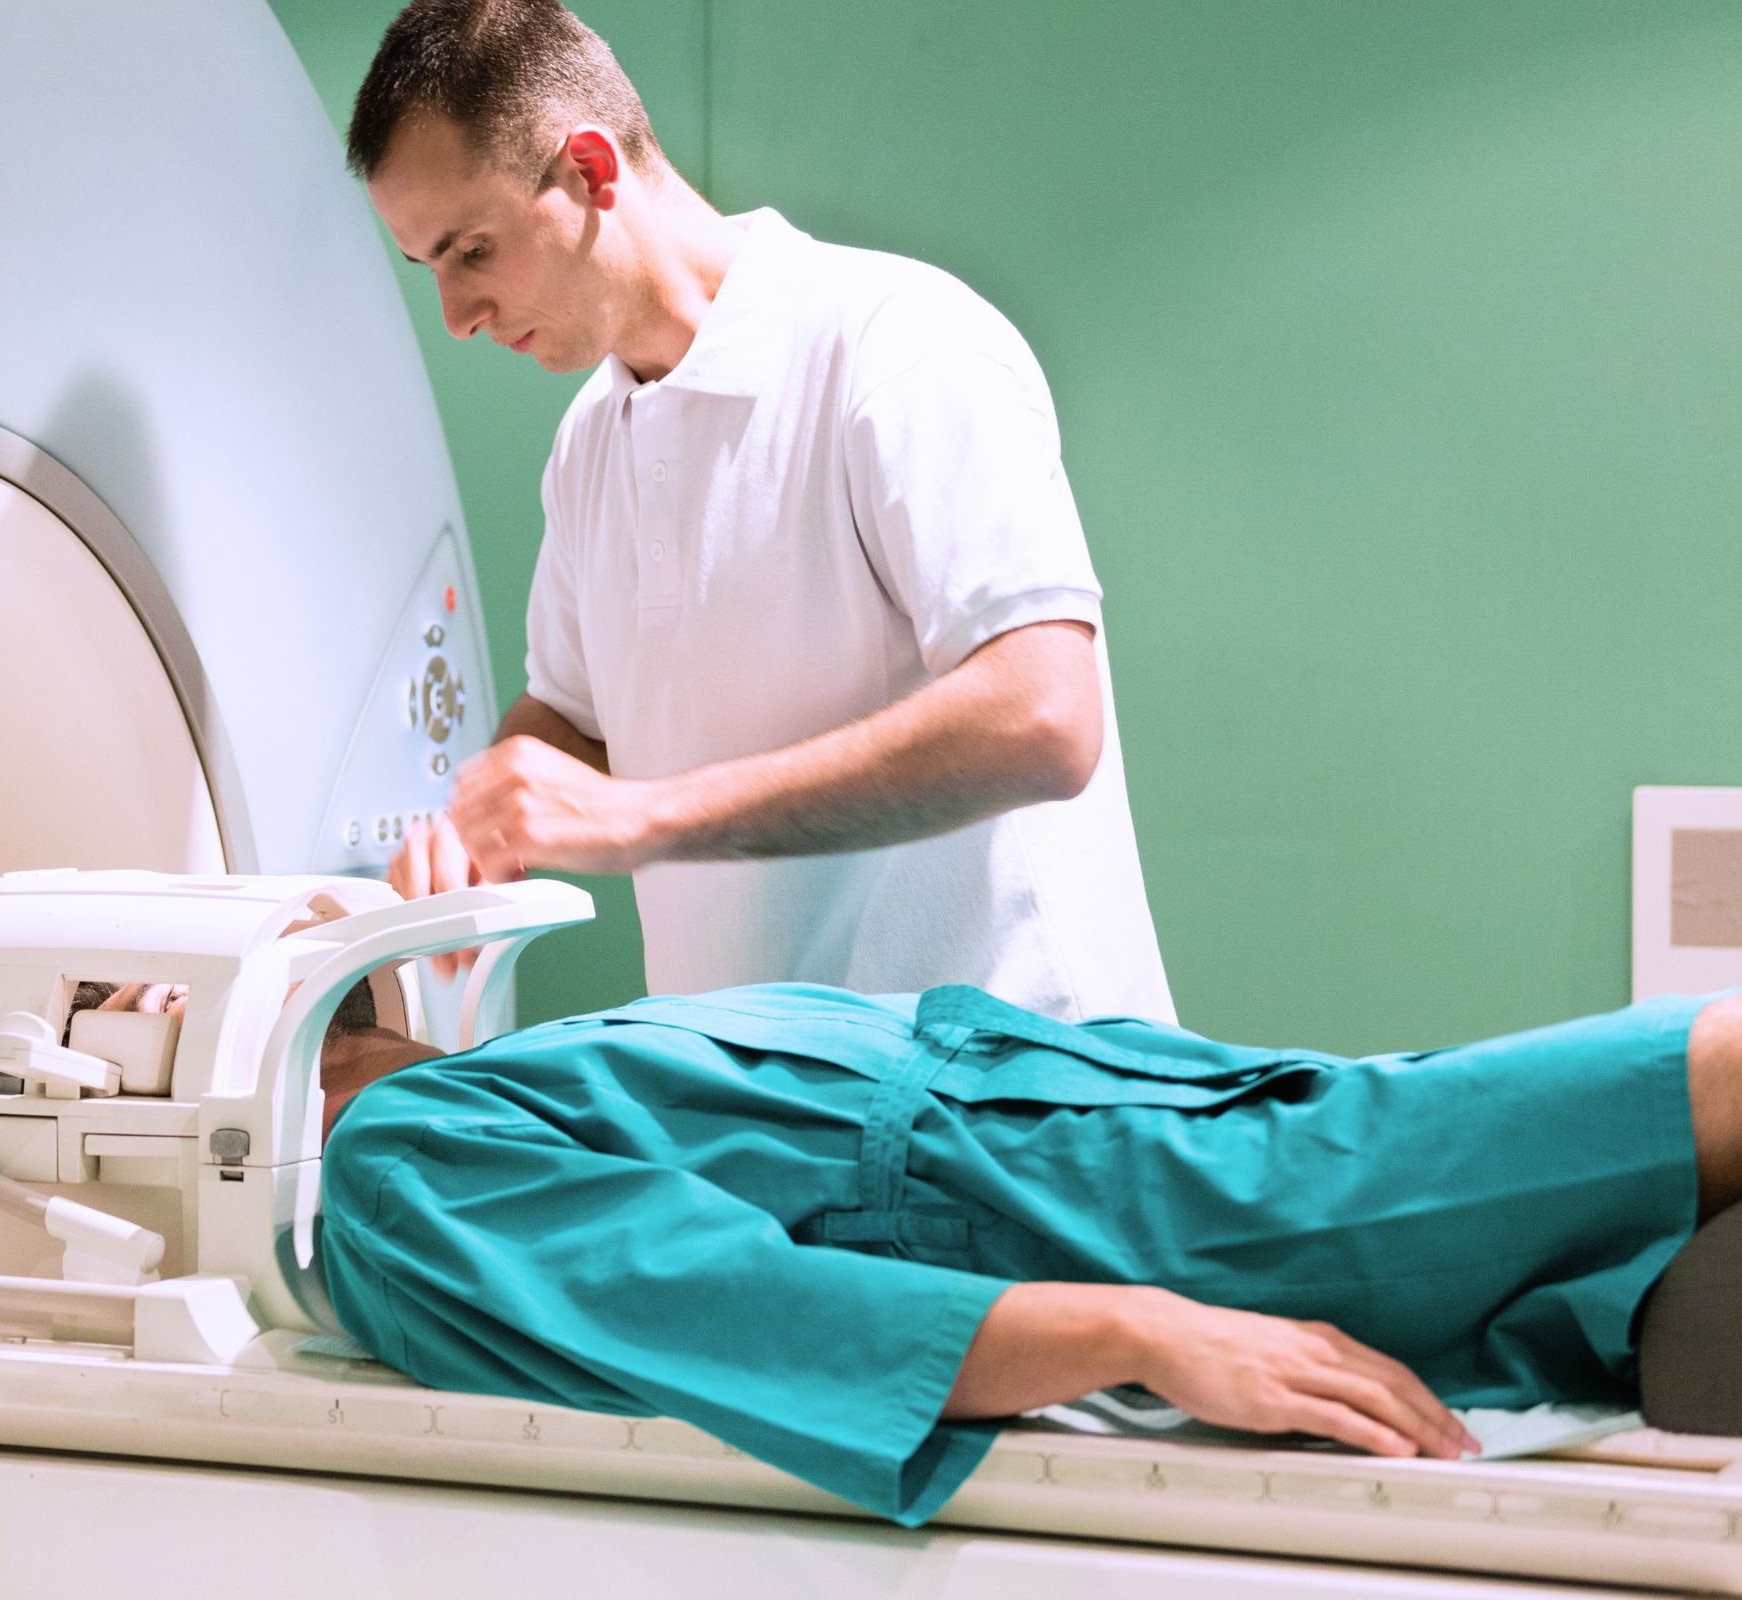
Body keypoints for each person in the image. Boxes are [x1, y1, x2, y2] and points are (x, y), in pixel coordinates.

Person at [350, 0, 1172, 1021]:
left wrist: (641, 819)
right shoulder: (591, 442)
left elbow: (1043, 716)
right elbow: (574, 720)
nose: (457, 318)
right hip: (772, 1105)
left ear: (590, 172)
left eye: (472, 250)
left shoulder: (896, 347)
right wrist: (462, 835)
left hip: (1009, 1086)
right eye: (427, 266)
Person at [307, 981, 1742, 1525]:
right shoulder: (396, 1159)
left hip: (1134, 1130)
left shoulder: (508, 1071)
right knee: (1674, 1078)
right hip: (1129, 1208)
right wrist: (1143, 1330)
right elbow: (744, 1309)